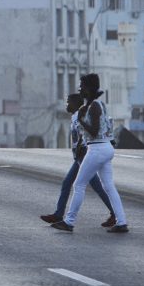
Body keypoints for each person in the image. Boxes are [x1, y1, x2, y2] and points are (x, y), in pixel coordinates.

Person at [51, 73, 129, 233]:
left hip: (97, 148)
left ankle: (69, 222)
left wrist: (80, 120)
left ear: (89, 88)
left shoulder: (94, 107)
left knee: (78, 184)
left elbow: (93, 131)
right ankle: (121, 222)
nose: (80, 89)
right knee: (109, 186)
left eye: (82, 86)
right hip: (104, 147)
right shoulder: (95, 105)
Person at [40, 91, 114, 227]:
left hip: (84, 155)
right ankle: (58, 214)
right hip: (80, 156)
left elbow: (84, 134)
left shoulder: (78, 117)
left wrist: (82, 149)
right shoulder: (76, 116)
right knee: (67, 183)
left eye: (68, 102)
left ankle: (114, 213)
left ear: (75, 104)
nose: (66, 105)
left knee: (94, 186)